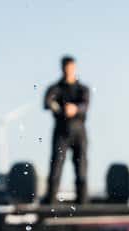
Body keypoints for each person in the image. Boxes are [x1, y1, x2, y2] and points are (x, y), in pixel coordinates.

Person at [42, 56, 90, 204]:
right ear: (62, 68)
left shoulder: (83, 89)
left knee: (81, 167)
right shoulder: (55, 88)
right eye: (65, 67)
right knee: (56, 165)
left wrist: (75, 109)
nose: (68, 70)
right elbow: (47, 102)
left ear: (74, 67)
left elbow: (85, 105)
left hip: (79, 132)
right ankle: (51, 200)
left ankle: (82, 202)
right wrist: (61, 109)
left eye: (70, 67)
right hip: (61, 132)